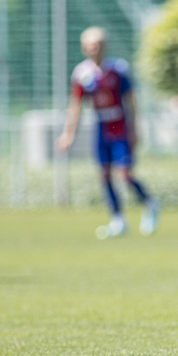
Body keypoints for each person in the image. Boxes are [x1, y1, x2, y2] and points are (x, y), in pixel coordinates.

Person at [56, 27, 160, 238]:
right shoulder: (82, 73)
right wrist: (69, 134)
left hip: (120, 125)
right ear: (84, 48)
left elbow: (131, 100)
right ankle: (118, 219)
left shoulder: (118, 69)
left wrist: (136, 129)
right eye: (90, 46)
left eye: (98, 45)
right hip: (102, 127)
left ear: (105, 46)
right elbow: (76, 106)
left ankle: (150, 203)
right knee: (104, 174)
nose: (94, 49)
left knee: (124, 173)